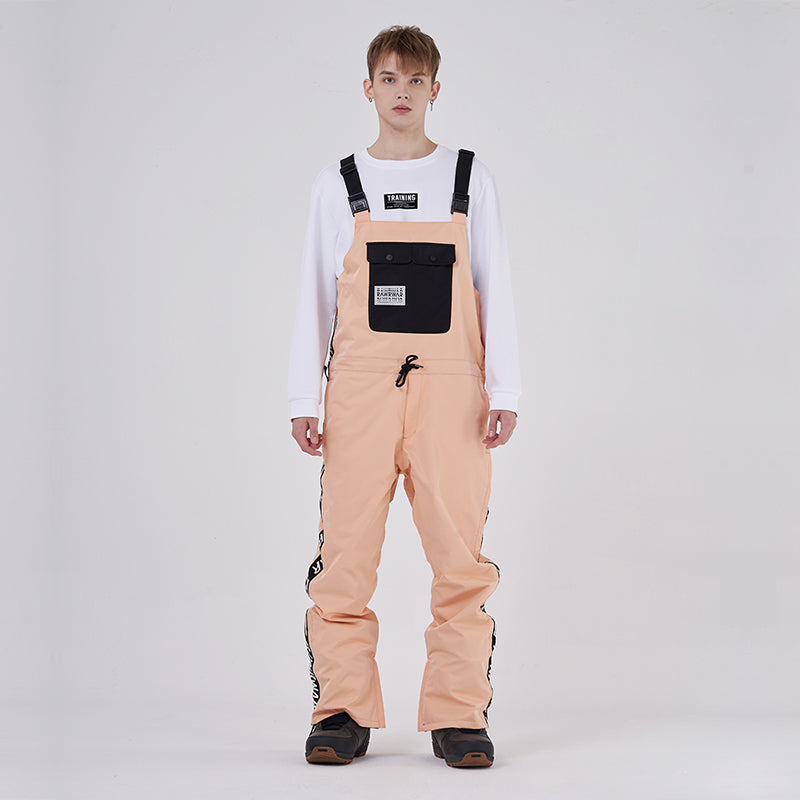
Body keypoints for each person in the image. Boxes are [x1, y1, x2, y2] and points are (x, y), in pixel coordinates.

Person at [287, 24, 522, 768]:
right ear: (368, 88)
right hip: (358, 395)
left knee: (461, 559)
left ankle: (459, 715)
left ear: (434, 90)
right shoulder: (337, 184)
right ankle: (342, 711)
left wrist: (504, 388)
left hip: (453, 395)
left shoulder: (468, 178)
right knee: (344, 556)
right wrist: (304, 399)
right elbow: (314, 295)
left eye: (415, 80)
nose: (401, 92)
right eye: (389, 79)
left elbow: (494, 284)